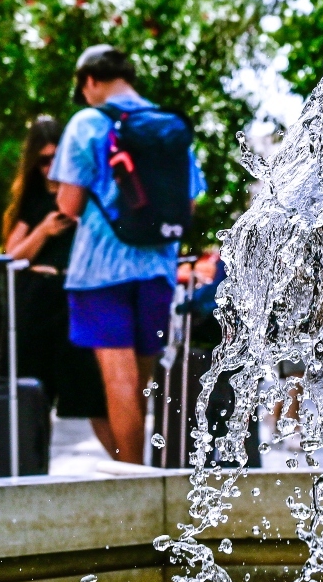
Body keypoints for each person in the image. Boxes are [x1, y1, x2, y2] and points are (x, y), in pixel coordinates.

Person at [50, 45, 206, 463]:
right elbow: (189, 204)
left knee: (119, 381)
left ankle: (134, 482)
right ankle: (146, 482)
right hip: (157, 269)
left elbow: (68, 205)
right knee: (142, 382)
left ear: (90, 81)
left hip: (100, 270)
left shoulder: (87, 122)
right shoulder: (168, 126)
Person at [3, 116, 109, 449]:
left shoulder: (84, 198)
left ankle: (132, 470)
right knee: (33, 395)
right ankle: (32, 475)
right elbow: (10, 257)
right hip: (37, 300)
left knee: (95, 396)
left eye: (56, 158)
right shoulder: (30, 204)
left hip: (76, 300)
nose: (50, 166)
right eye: (43, 160)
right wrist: (43, 231)